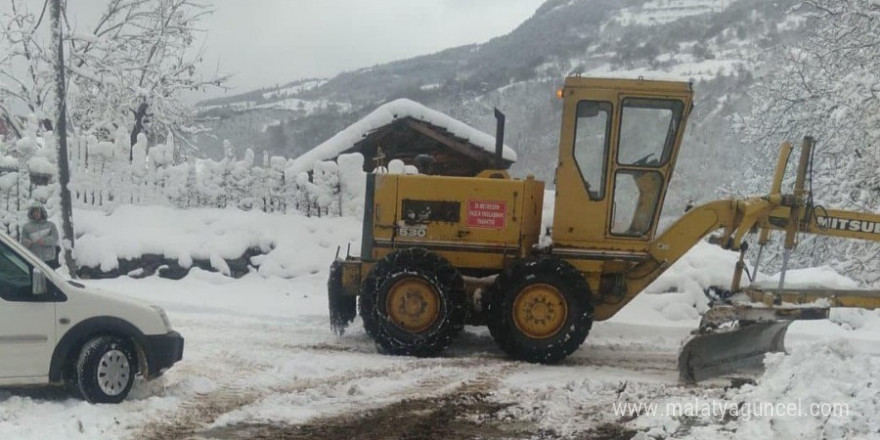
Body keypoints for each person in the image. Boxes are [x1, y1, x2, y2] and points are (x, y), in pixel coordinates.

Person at [20, 202, 60, 269]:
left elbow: (55, 238)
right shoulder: (26, 227)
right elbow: (23, 241)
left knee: (49, 279)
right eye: (34, 212)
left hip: (49, 259)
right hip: (33, 259)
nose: (36, 214)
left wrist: (44, 241)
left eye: (38, 211)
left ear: (42, 212)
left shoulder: (50, 225)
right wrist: (27, 242)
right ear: (31, 213)